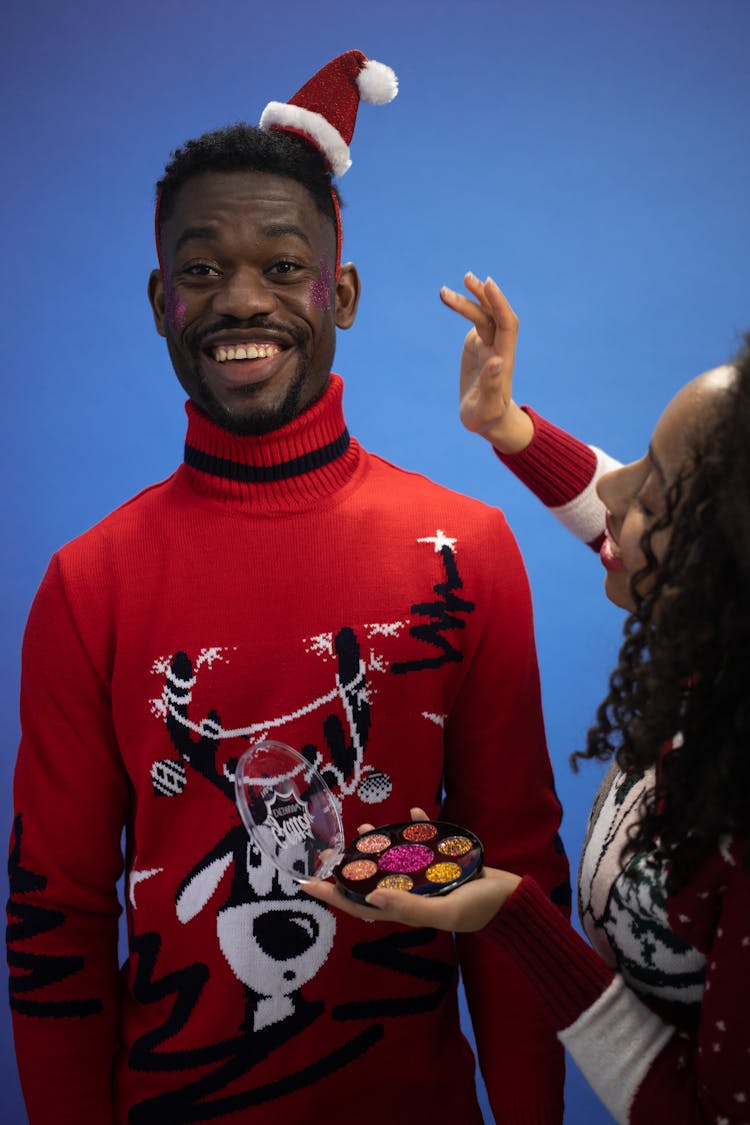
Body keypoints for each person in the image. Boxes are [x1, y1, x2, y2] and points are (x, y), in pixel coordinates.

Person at [6, 58, 570, 1125]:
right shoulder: (90, 584)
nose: (242, 301)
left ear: (340, 295)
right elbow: (55, 918)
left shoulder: (467, 553)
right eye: (202, 270)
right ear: (160, 302)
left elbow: (519, 888)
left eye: (282, 264)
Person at [304, 273, 750, 1122]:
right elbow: (609, 512)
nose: (616, 493)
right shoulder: (720, 653)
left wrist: (515, 914)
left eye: (652, 489)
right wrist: (506, 426)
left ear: (723, 553)